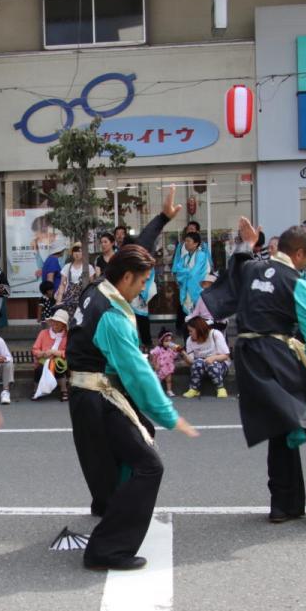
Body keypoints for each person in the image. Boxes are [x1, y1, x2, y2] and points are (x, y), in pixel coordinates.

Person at [203, 218, 306, 524]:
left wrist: (247, 246)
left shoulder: (252, 268)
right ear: (301, 254)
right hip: (276, 353)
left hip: (249, 356)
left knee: (281, 425)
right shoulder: (294, 281)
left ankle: (284, 504)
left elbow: (232, 276)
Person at [67, 211, 200, 571]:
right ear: (126, 277)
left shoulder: (97, 286)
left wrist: (162, 218)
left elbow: (134, 250)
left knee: (125, 448)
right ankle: (107, 550)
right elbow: (138, 373)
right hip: (97, 395)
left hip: (89, 393)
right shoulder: (111, 315)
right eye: (142, 283)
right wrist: (171, 416)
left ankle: (108, 506)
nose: (144, 289)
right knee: (149, 465)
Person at [183, 316, 231, 398]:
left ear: (199, 329)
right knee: (198, 362)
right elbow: (191, 361)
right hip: (201, 368)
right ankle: (194, 389)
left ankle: (220, 388)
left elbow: (226, 356)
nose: (189, 333)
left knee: (211, 363)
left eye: (191, 331)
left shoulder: (215, 334)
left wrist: (213, 358)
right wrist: (183, 353)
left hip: (219, 366)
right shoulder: (189, 340)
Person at [31, 308, 71, 401]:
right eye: (54, 322)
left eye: (58, 323)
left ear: (64, 325)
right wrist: (43, 353)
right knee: (39, 369)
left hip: (60, 362)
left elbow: (70, 352)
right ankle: (36, 390)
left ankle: (64, 390)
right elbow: (35, 349)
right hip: (43, 361)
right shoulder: (43, 333)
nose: (55, 324)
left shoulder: (68, 336)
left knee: (59, 368)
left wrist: (55, 352)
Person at [56, 243, 95, 317]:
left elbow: (92, 285)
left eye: (80, 251)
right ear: (72, 253)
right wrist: (59, 300)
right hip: (69, 299)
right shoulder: (67, 267)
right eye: (75, 251)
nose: (77, 254)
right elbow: (62, 284)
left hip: (84, 298)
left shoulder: (89, 267)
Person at [148, 329, 182, 397]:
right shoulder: (158, 349)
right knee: (157, 380)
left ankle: (169, 390)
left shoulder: (170, 349)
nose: (168, 343)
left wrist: (177, 350)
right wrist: (155, 365)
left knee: (169, 380)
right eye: (166, 341)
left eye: (170, 340)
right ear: (161, 341)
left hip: (168, 367)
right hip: (160, 367)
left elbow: (174, 356)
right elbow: (154, 356)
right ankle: (157, 391)